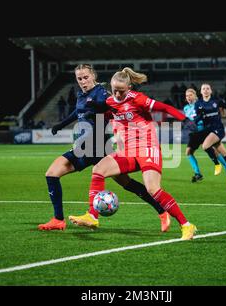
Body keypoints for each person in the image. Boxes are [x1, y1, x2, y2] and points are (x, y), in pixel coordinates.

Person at [38, 64, 171, 232]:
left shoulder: (102, 95)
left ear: (93, 76)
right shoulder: (82, 95)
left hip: (101, 147)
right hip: (84, 148)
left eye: (86, 77)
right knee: (51, 173)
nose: (83, 81)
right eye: (79, 78)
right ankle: (58, 220)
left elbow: (120, 108)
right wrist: (61, 124)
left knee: (127, 183)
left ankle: (162, 211)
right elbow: (77, 112)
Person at [68, 68, 197, 240]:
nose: (118, 95)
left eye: (121, 91)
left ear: (129, 88)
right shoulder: (110, 102)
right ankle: (92, 216)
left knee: (153, 189)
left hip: (147, 147)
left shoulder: (138, 99)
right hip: (128, 151)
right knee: (98, 169)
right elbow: (105, 112)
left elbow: (164, 107)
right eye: (115, 91)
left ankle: (187, 225)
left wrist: (184, 119)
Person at [194, 83, 226, 185]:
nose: (206, 90)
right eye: (203, 89)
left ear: (210, 91)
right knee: (224, 154)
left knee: (205, 146)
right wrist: (201, 115)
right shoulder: (198, 104)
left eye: (207, 88)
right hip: (209, 131)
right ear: (201, 92)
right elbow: (196, 120)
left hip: (218, 129)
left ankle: (217, 164)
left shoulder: (216, 100)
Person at [183, 89, 226, 182]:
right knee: (189, 152)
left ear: (194, 95)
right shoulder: (185, 108)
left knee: (215, 151)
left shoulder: (201, 104)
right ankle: (198, 174)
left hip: (204, 129)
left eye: (190, 95)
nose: (188, 97)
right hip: (194, 133)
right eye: (186, 96)